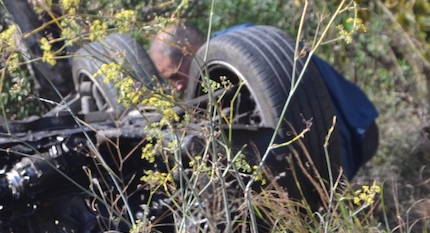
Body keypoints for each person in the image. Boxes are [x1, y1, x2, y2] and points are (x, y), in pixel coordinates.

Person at [149, 23, 379, 179]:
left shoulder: (235, 55)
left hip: (346, 134)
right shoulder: (244, 36)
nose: (177, 87)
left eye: (176, 76)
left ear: (189, 51)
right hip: (363, 120)